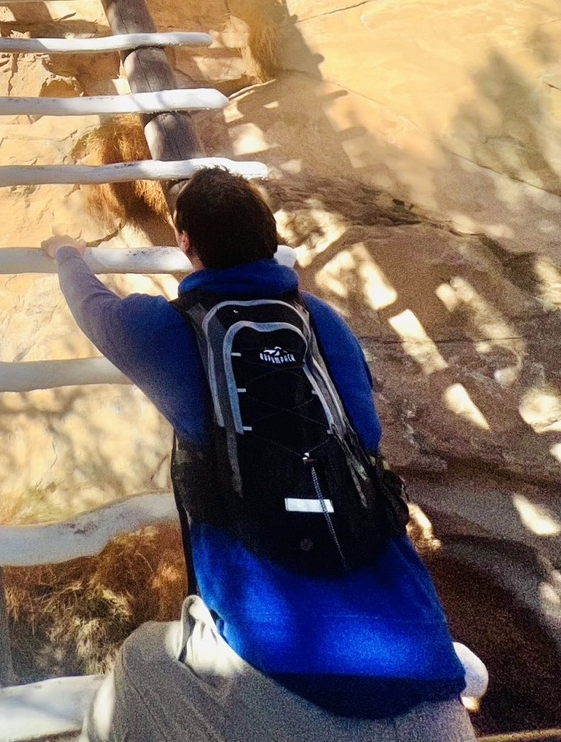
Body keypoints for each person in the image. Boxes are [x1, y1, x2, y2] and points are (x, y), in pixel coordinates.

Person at [41, 167, 475, 742]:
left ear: (185, 243)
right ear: (271, 240)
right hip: (429, 684)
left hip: (282, 684)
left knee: (139, 664)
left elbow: (92, 305)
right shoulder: (324, 324)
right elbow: (365, 436)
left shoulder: (160, 329)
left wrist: (66, 254)